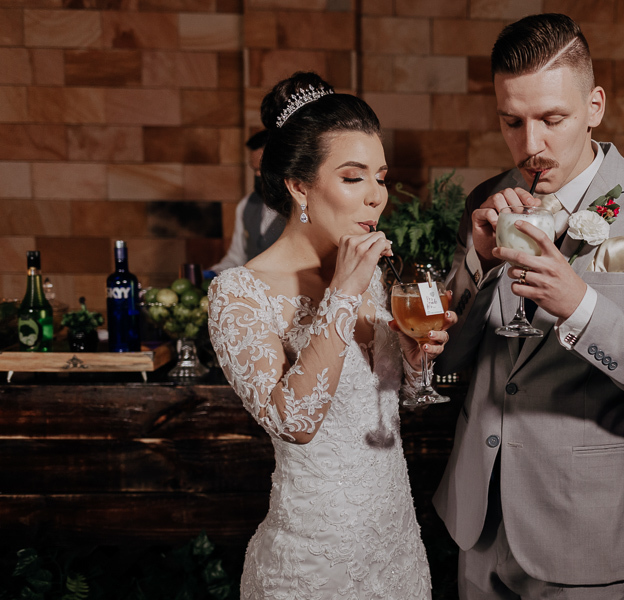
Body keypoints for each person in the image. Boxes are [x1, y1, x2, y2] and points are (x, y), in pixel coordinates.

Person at [433, 14, 624, 599]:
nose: (530, 146)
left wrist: (581, 306)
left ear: (594, 106)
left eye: (552, 119)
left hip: (583, 526)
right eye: (512, 121)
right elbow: (445, 364)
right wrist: (478, 266)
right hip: (478, 521)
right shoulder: (488, 200)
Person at [207, 71, 455, 599]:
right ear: (299, 185)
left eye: (380, 177)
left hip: (396, 548)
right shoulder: (240, 293)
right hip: (313, 562)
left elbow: (395, 404)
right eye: (353, 177)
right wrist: (341, 293)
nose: (376, 197)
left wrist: (417, 361)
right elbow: (294, 423)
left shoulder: (377, 277)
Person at [208, 130, 285, 274]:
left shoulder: (300, 207)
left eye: (262, 169)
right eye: (254, 170)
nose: (258, 175)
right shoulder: (246, 204)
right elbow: (236, 258)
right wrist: (214, 272)